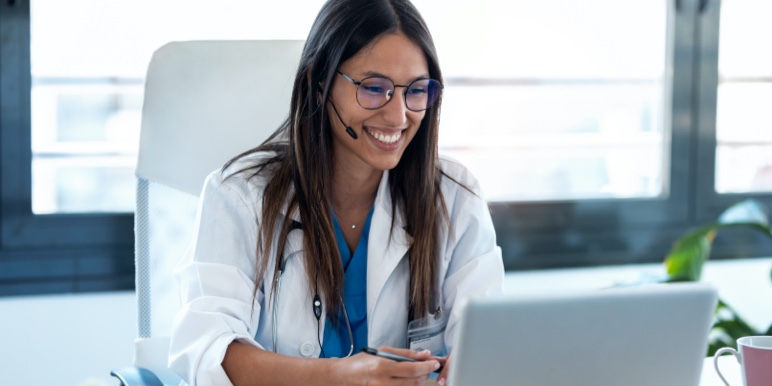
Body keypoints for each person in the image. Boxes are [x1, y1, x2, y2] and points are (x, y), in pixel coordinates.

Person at [168, 0, 505, 384]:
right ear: (318, 85)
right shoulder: (240, 197)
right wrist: (343, 376)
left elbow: (488, 345)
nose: (398, 117)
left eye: (415, 91)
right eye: (374, 88)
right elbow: (208, 353)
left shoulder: (455, 198)